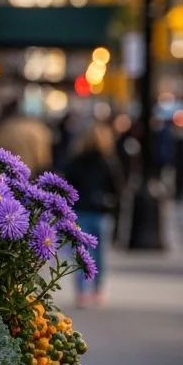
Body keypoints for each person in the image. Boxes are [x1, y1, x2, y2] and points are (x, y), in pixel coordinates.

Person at [63, 122, 123, 307]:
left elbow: (66, 187)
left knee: (80, 254)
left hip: (80, 211)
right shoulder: (108, 162)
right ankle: (98, 288)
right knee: (99, 255)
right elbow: (118, 188)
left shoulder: (75, 161)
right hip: (101, 212)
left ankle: (82, 292)